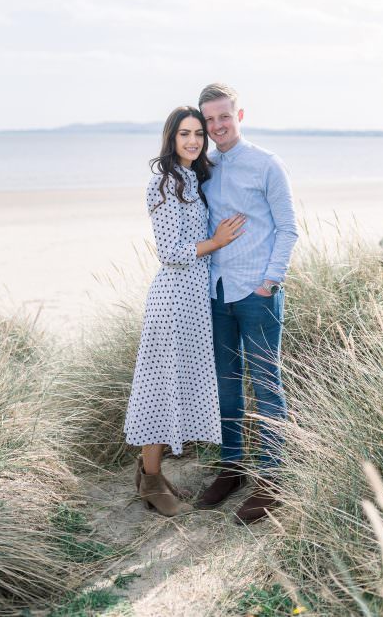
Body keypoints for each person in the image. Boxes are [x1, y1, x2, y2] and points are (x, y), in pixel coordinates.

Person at [124, 106, 245, 516]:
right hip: (173, 301)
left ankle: (150, 472)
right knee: (160, 387)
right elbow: (171, 253)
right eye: (184, 134)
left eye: (198, 134)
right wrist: (217, 242)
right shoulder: (163, 183)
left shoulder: (193, 178)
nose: (193, 140)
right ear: (171, 138)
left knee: (175, 386)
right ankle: (151, 480)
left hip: (195, 302)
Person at [196, 83, 298, 524]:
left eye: (224, 116)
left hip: (257, 293)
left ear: (239, 116)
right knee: (226, 386)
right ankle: (233, 468)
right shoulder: (204, 166)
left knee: (267, 385)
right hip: (217, 292)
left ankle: (272, 481)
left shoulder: (267, 164)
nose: (217, 125)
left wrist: (270, 282)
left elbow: (288, 228)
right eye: (209, 119)